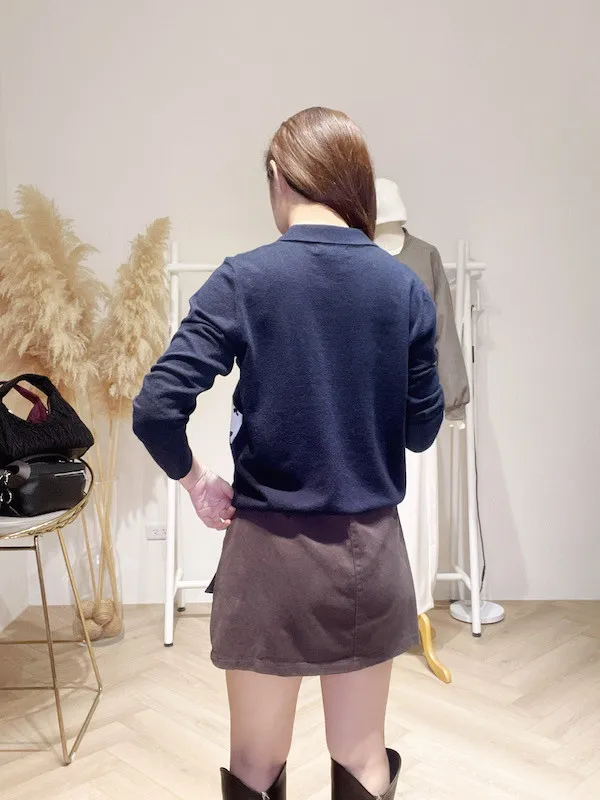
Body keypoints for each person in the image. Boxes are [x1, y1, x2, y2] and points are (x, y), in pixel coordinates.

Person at [133, 107, 444, 800]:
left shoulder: (245, 279)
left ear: (279, 176)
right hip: (368, 557)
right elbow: (422, 431)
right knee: (361, 755)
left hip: (267, 560)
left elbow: (156, 409)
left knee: (255, 761)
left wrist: (195, 480)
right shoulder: (404, 287)